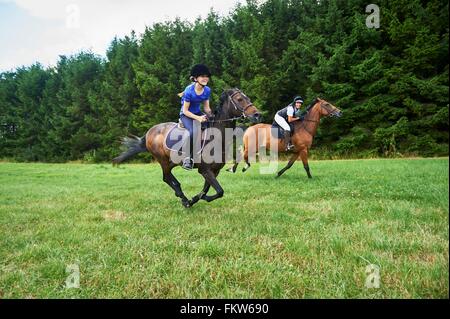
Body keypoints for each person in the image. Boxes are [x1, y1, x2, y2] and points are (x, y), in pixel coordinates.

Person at [179, 64, 213, 170]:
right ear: (195, 78)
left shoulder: (207, 90)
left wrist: (211, 116)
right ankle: (187, 159)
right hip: (186, 115)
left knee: (212, 126)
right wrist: (198, 118)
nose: (205, 78)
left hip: (198, 113)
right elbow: (185, 111)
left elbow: (207, 108)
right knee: (193, 132)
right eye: (202, 76)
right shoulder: (189, 90)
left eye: (206, 76)